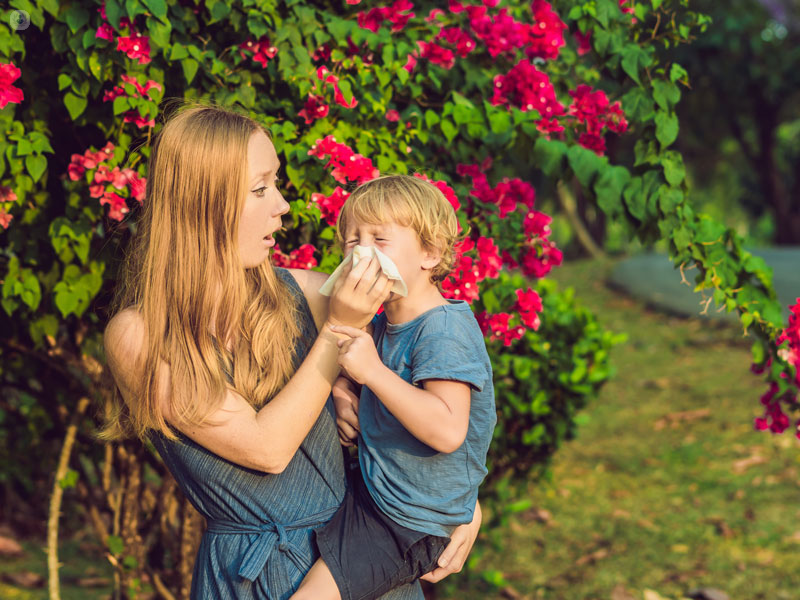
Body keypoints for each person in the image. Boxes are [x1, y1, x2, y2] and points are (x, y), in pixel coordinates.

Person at [101, 104, 480, 599]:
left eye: (274, 184)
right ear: (202, 205)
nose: (281, 205)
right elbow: (266, 449)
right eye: (260, 189)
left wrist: (460, 500)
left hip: (360, 561)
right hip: (252, 578)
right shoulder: (139, 337)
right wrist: (337, 334)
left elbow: (438, 364)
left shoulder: (306, 293)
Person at [292, 175, 495, 600]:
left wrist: (372, 374)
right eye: (352, 241)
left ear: (430, 253)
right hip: (381, 497)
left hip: (409, 523)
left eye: (379, 239)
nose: (362, 252)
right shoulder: (384, 324)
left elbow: (447, 430)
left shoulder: (443, 330)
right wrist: (345, 388)